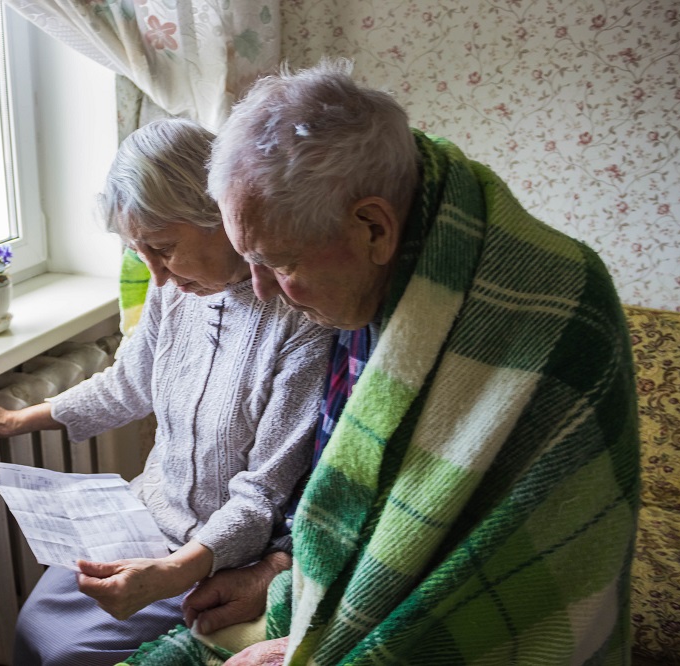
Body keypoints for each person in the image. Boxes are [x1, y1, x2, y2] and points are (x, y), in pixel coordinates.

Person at [122, 60, 639, 665]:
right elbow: (341, 487)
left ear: (374, 228)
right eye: (248, 261)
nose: (260, 291)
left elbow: (509, 578)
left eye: (279, 263)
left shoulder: (556, 311)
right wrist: (276, 570)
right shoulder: (365, 283)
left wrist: (307, 652)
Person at [0, 117, 333, 666]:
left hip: (221, 554)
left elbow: (262, 495)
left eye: (165, 247)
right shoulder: (175, 292)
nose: (155, 275)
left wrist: (174, 572)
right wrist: (17, 420)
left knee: (70, 655)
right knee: (34, 624)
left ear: (221, 216)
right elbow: (128, 383)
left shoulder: (301, 319)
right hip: (145, 516)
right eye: (139, 251)